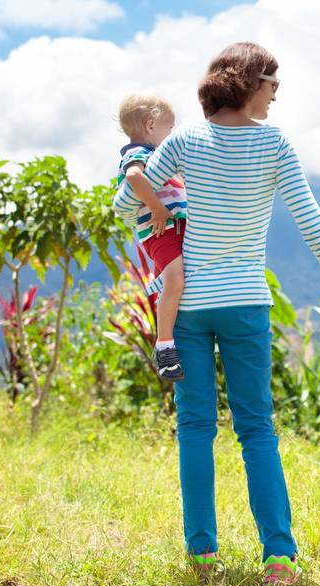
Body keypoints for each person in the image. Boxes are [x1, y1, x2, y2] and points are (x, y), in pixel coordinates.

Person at [113, 42, 320, 584]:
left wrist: (158, 208)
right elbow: (312, 222)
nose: (276, 95)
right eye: (273, 84)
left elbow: (124, 203)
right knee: (257, 430)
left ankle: (202, 554)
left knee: (195, 428)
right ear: (251, 83)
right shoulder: (274, 143)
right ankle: (279, 556)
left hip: (188, 306)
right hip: (245, 303)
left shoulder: (184, 140)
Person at [116, 93, 187, 381]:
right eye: (169, 128)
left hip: (172, 229)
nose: (171, 134)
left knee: (172, 284)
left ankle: (174, 333)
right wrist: (157, 208)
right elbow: (134, 177)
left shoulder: (157, 157)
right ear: (150, 125)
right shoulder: (138, 154)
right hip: (161, 230)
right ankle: (165, 345)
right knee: (175, 281)